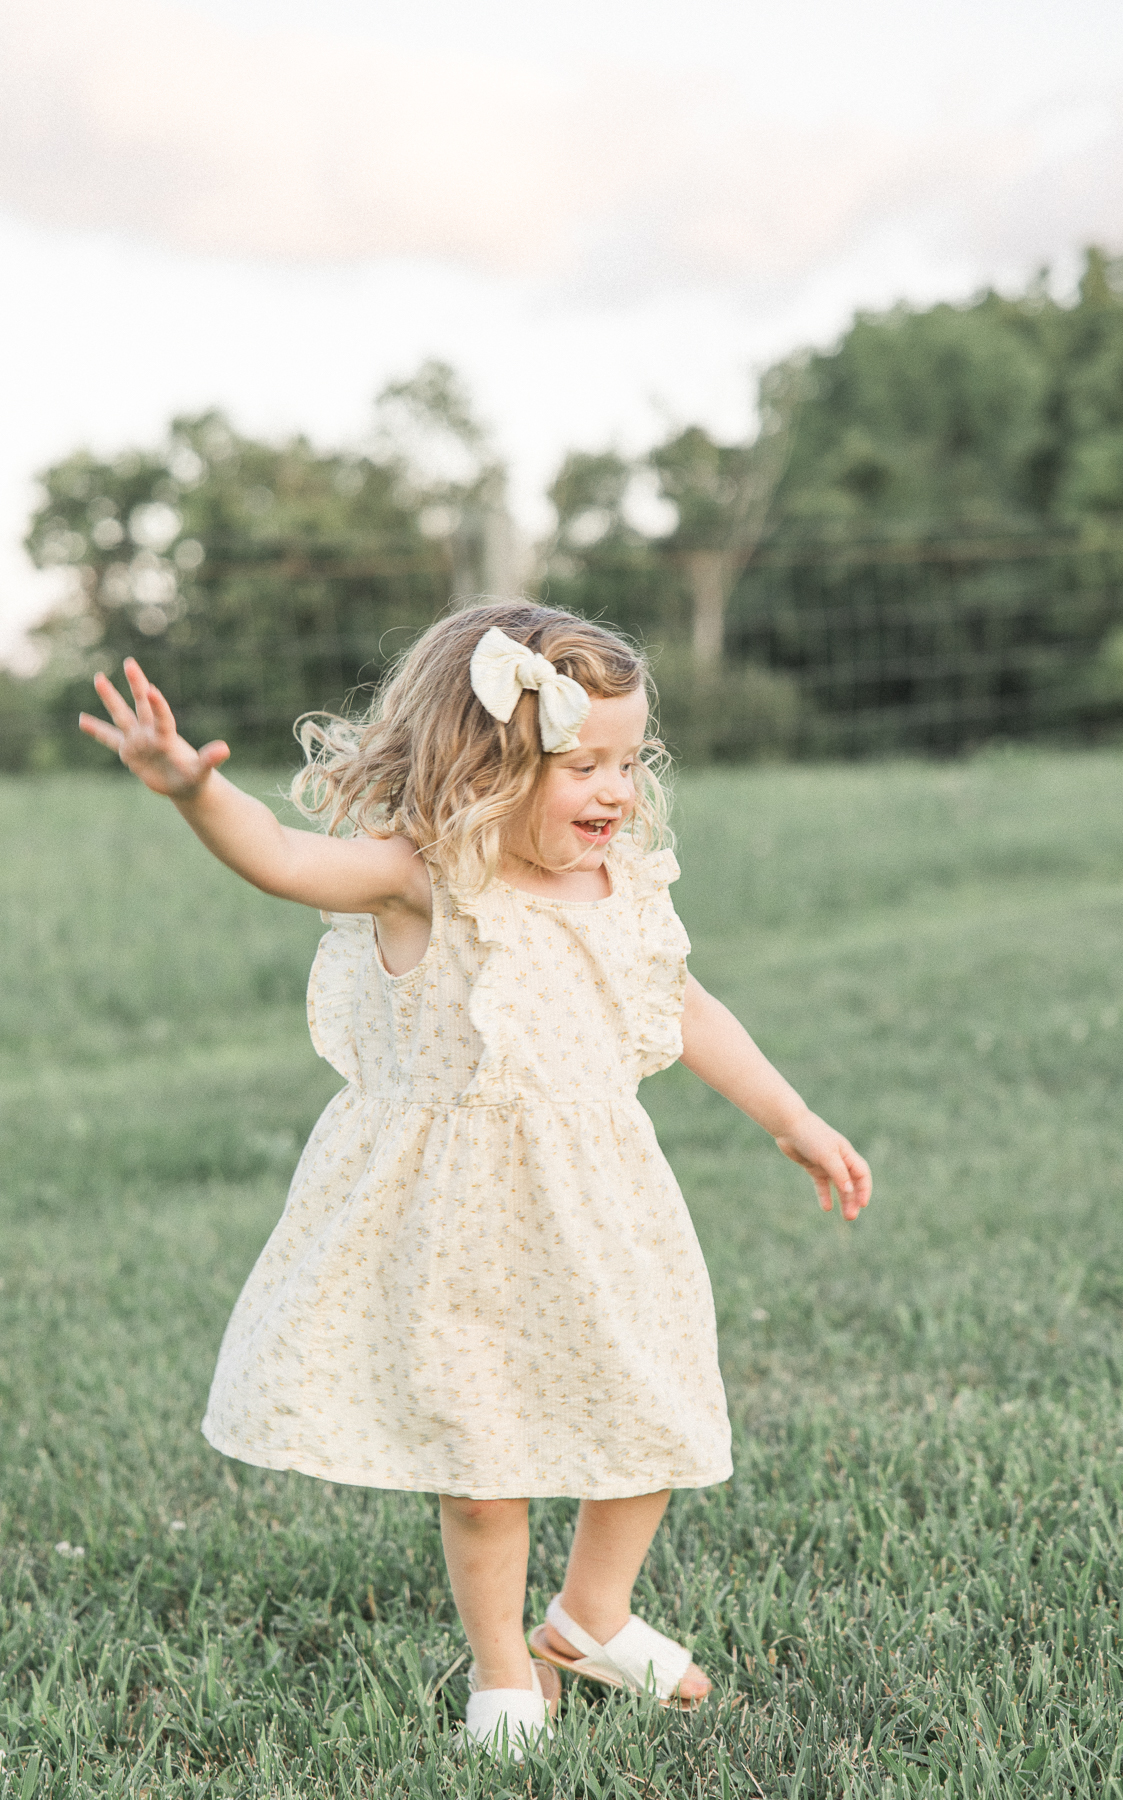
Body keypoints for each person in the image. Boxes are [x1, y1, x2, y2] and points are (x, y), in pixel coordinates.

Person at [80, 601, 871, 1761]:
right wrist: (194, 791)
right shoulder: (424, 882)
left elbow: (685, 1007)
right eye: (579, 765)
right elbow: (288, 859)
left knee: (652, 1413)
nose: (615, 791)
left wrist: (791, 1116)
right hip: (461, 1229)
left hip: (605, 1211)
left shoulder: (626, 887)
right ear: (489, 764)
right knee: (484, 1465)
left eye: (627, 761)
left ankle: (589, 1617)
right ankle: (503, 1668)